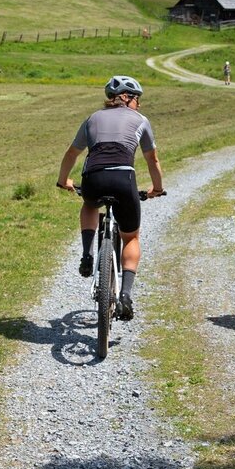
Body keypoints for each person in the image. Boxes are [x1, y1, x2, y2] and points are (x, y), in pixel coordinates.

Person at [57, 75, 165, 320]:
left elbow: (72, 153)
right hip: (123, 179)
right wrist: (157, 188)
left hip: (93, 178)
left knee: (90, 203)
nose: (139, 104)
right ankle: (125, 295)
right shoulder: (141, 120)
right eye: (137, 99)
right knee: (131, 237)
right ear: (128, 98)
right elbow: (152, 160)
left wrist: (64, 180)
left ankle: (87, 254)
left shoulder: (92, 118)